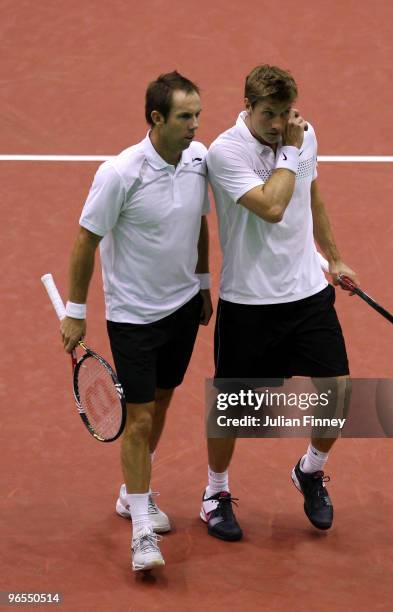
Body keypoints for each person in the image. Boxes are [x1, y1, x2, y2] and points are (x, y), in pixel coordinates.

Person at [60, 71, 213, 570]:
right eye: (185, 117)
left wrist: (205, 284)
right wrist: (76, 312)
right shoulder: (120, 173)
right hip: (134, 317)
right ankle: (143, 530)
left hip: (183, 307)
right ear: (156, 118)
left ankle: (132, 494)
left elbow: (200, 224)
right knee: (140, 416)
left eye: (197, 115)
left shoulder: (198, 161)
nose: (195, 125)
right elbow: (86, 238)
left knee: (163, 402)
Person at [202, 64, 357, 541]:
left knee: (338, 391)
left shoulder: (302, 135)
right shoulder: (225, 152)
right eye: (268, 113)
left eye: (285, 112)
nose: (277, 123)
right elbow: (271, 207)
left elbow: (311, 195)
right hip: (249, 301)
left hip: (307, 292)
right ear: (247, 106)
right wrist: (289, 148)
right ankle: (216, 493)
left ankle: (310, 470)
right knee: (233, 410)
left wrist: (336, 258)